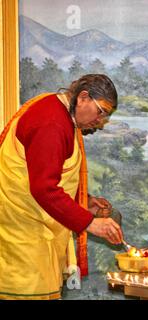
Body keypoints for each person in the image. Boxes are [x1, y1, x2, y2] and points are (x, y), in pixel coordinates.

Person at [0, 74, 123, 300]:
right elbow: (44, 189)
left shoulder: (59, 112)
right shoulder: (51, 122)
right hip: (23, 237)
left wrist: (84, 200)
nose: (102, 121)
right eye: (102, 112)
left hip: (36, 233)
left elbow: (48, 173)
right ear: (83, 97)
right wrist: (91, 223)